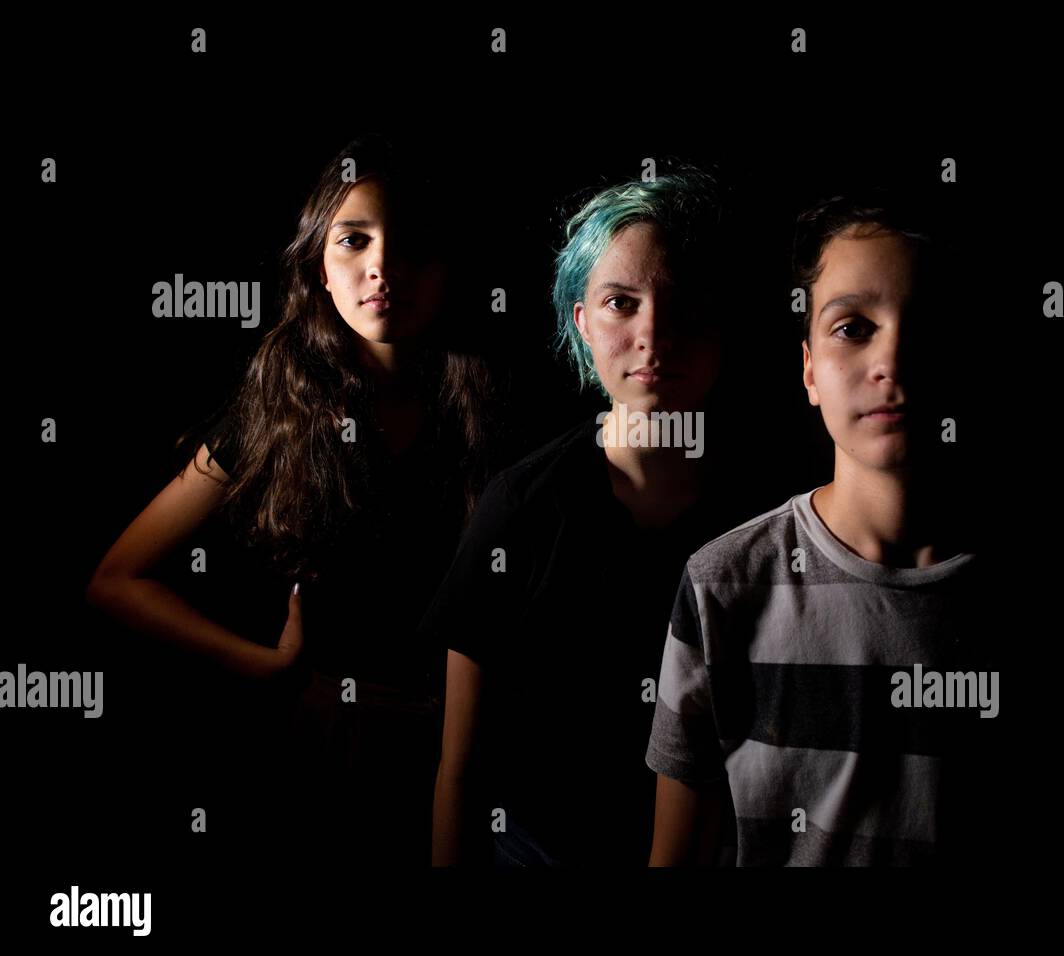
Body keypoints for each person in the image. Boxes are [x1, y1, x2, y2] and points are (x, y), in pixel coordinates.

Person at [645, 194, 1064, 866]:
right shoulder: (724, 587)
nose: (893, 361)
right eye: (852, 327)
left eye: (929, 323)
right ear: (809, 367)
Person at [85, 134, 500, 867]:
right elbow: (118, 579)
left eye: (408, 244)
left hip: (469, 754)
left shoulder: (489, 413)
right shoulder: (277, 411)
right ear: (319, 267)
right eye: (353, 240)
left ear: (445, 268)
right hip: (321, 759)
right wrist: (266, 668)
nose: (381, 266)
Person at [425, 170, 766, 866]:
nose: (652, 334)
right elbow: (460, 766)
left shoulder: (770, 511)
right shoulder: (520, 508)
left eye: (683, 303)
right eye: (620, 302)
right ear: (581, 321)